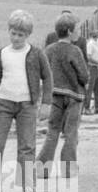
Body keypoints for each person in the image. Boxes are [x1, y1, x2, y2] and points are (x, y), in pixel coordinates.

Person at [0, 10, 52, 192]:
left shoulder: (36, 54)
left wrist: (46, 102)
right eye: (13, 33)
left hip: (27, 104)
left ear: (28, 35)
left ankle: (27, 184)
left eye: (20, 35)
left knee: (27, 145)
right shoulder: (2, 53)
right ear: (9, 31)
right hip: (4, 103)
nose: (16, 38)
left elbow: (47, 78)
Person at [38, 12, 88, 180]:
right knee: (71, 132)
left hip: (54, 95)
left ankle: (42, 169)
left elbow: (43, 72)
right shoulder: (75, 51)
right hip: (74, 96)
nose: (79, 32)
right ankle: (68, 170)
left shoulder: (49, 50)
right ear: (69, 31)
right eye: (78, 29)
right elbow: (84, 75)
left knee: (52, 131)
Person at [84, 34, 98, 113]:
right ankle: (86, 107)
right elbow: (88, 57)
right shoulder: (90, 44)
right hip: (91, 67)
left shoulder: (95, 44)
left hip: (96, 68)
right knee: (90, 88)